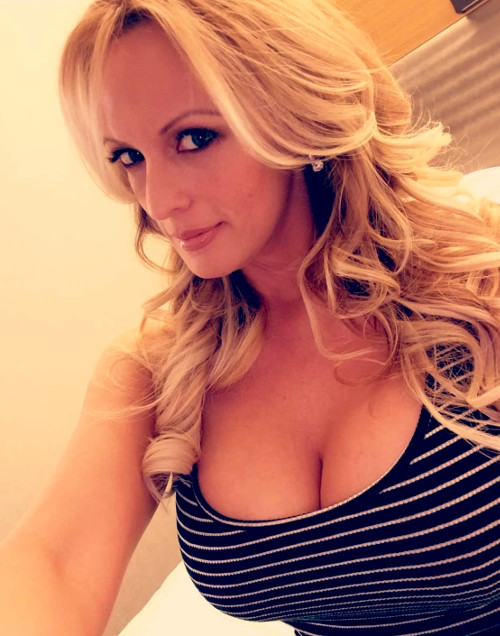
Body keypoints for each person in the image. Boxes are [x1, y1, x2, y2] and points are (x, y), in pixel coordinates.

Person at [1, 0, 499, 634]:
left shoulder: (479, 285)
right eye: (128, 156)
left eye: (194, 138)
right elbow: (54, 562)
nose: (158, 200)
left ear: (291, 114)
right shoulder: (157, 372)